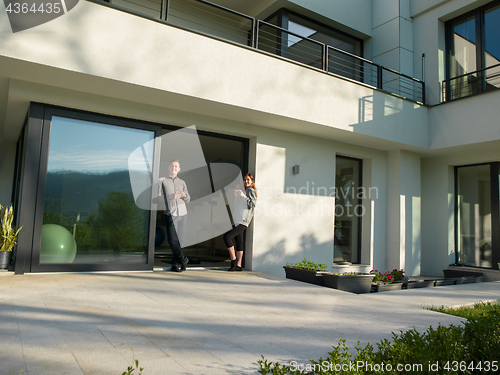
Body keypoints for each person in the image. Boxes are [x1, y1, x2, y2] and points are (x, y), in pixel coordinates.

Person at [158, 159, 190, 272]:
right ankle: (183, 259)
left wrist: (184, 195)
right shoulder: (161, 181)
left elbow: (188, 199)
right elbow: (157, 198)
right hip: (171, 213)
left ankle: (175, 264)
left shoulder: (182, 182)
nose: (174, 168)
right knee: (172, 241)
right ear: (168, 167)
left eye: (176, 167)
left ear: (179, 169)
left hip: (183, 213)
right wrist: (172, 196)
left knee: (180, 240)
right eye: (172, 166)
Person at [223, 173, 257, 271]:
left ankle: (233, 259)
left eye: (248, 180)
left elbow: (252, 205)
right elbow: (236, 207)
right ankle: (238, 265)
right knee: (239, 242)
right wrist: (237, 197)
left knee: (227, 237)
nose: (246, 181)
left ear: (252, 182)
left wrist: (242, 196)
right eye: (245, 180)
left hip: (243, 220)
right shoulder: (243, 191)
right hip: (237, 219)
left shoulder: (251, 191)